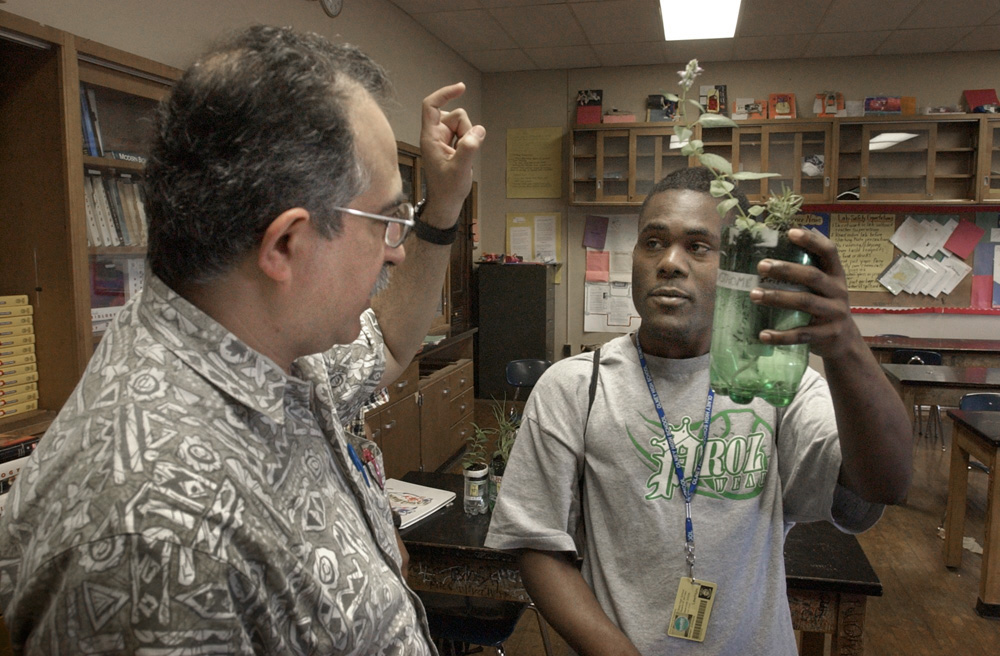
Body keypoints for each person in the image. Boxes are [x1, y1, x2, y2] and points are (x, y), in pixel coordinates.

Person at [0, 25, 484, 654]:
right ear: (286, 244)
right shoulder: (158, 539)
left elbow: (388, 344)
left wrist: (441, 211)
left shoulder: (255, 349)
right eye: (387, 222)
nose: (395, 253)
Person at [486, 167, 912, 655]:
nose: (669, 262)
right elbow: (536, 544)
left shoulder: (776, 385)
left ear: (736, 269)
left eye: (698, 246)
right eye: (653, 242)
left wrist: (845, 346)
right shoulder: (576, 386)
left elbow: (886, 483)